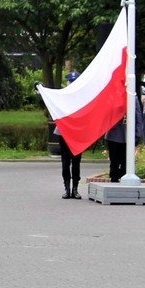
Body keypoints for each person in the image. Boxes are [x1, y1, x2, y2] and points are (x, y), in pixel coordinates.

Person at [55, 71, 85, 199]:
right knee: (65, 162)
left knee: (76, 162)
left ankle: (75, 189)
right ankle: (67, 188)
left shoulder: (83, 98)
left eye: (75, 82)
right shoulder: (63, 96)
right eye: (71, 82)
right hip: (64, 133)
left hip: (77, 133)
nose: (72, 84)